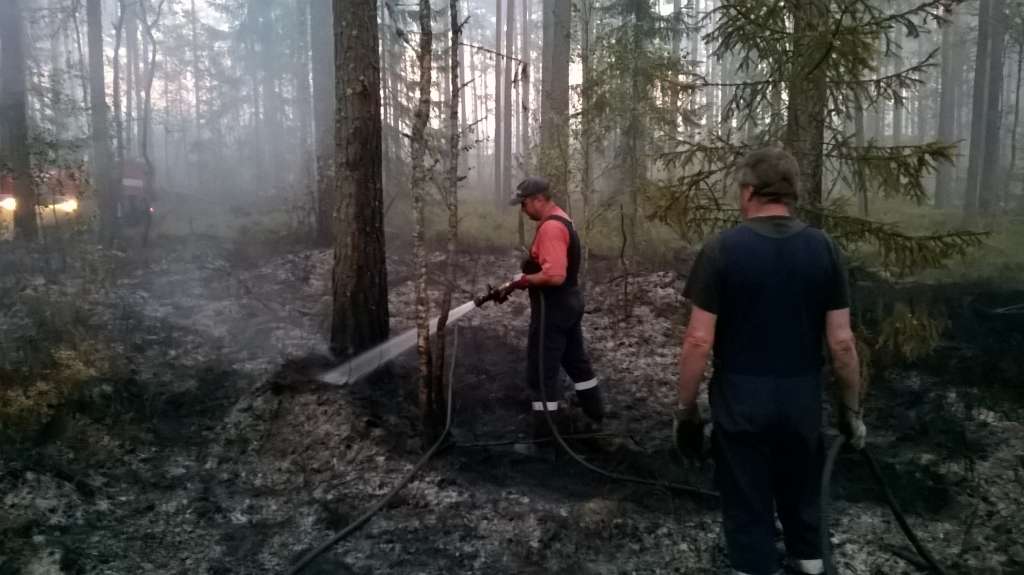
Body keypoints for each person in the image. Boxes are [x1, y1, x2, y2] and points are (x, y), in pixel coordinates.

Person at [673, 148, 866, 575]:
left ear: (748, 192)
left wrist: (685, 411)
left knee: (747, 510)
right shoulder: (824, 249)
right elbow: (842, 344)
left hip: (740, 403)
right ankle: (810, 565)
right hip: (801, 401)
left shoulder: (721, 250)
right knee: (804, 504)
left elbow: (698, 341)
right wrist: (852, 411)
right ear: (792, 193)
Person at [498, 176, 605, 440]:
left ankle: (544, 437)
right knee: (575, 361)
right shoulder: (562, 219)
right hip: (568, 304)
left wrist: (523, 281)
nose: (523, 211)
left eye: (524, 204)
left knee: (541, 372)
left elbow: (555, 275)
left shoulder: (551, 228)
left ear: (538, 199)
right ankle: (595, 414)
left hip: (553, 310)